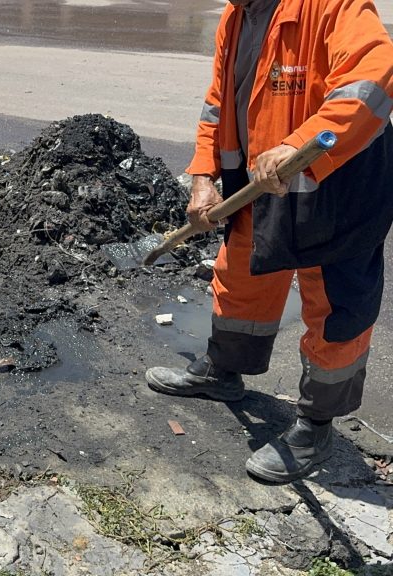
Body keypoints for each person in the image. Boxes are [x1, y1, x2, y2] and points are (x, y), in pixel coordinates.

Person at [146, 0, 393, 483]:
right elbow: (217, 103)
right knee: (241, 274)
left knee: (335, 307)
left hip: (336, 183)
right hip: (258, 181)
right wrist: (203, 175)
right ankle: (224, 370)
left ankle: (315, 426)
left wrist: (299, 142)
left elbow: (372, 79)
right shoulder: (237, 14)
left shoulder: (333, 5)